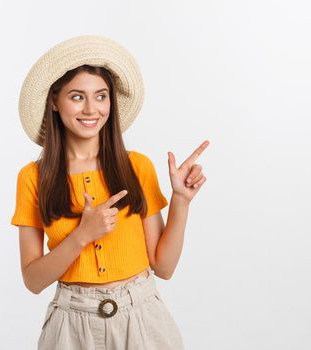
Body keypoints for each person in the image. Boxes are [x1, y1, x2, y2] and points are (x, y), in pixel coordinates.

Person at [11, 35, 209, 350]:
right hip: (71, 326)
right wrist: (81, 236)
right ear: (54, 101)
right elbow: (33, 281)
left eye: (101, 96)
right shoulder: (33, 178)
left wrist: (181, 201)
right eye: (77, 97)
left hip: (141, 318)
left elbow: (164, 267)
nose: (92, 109)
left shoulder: (136, 167)